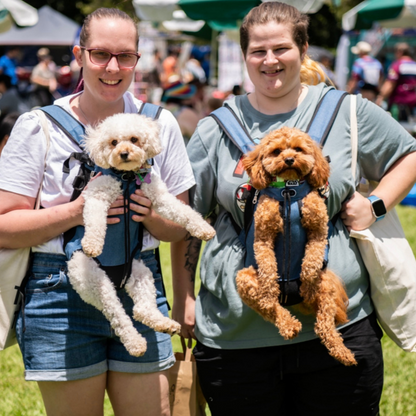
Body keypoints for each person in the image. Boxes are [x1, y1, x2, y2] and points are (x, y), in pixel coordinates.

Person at [171, 2, 416, 415]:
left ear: (303, 51)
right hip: (236, 336)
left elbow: (408, 154)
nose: (270, 61)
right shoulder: (215, 129)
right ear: (246, 56)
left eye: (281, 48)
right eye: (258, 51)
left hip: (339, 324)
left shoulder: (347, 112)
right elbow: (187, 221)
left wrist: (374, 204)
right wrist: (183, 299)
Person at [0, 8, 195, 416]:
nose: (113, 67)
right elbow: (4, 227)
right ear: (79, 54)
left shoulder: (159, 123)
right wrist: (76, 211)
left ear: (138, 59)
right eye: (100, 54)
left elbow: (179, 228)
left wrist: (150, 214)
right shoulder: (38, 126)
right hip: (58, 293)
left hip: (139, 280)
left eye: (125, 56)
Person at [376, 42, 416, 121]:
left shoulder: (397, 65)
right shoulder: (414, 65)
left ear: (400, 52)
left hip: (399, 103)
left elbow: (390, 84)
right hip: (413, 103)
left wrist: (381, 97)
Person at [161, 80, 201, 146]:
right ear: (186, 99)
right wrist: (199, 112)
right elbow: (202, 142)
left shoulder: (161, 111)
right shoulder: (186, 113)